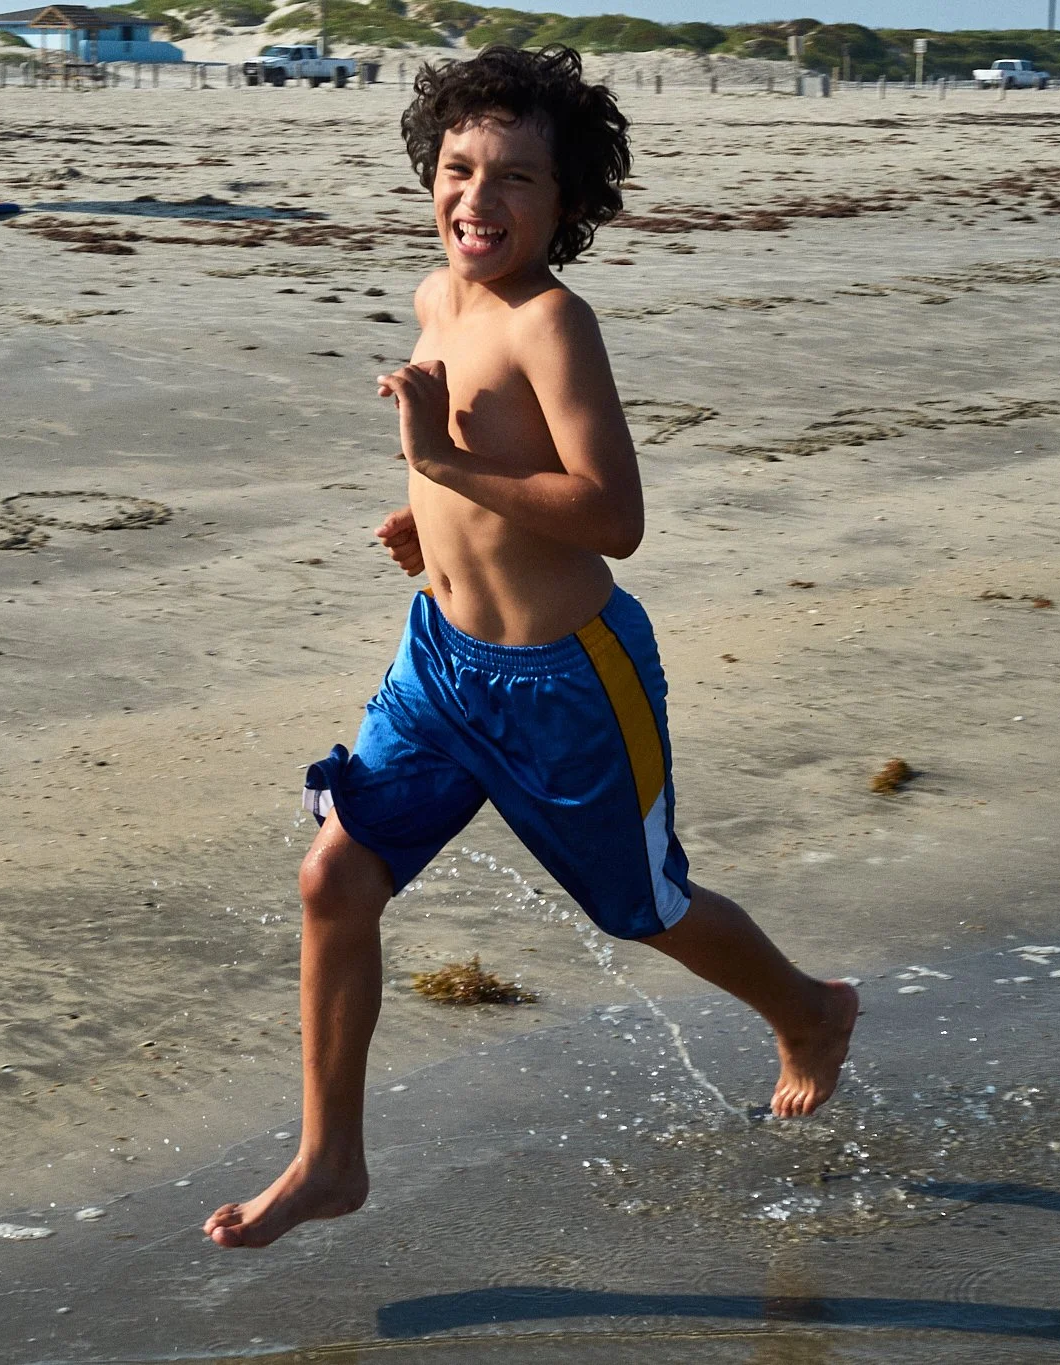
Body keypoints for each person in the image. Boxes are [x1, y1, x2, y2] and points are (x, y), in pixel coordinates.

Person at [205, 45, 860, 1251]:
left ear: (568, 205)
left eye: (514, 179)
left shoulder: (554, 322)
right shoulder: (432, 297)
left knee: (644, 908)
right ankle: (329, 1159)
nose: (477, 199)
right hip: (440, 667)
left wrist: (448, 468)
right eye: (458, 168)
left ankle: (809, 1008)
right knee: (333, 879)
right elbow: (475, 460)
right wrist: (432, 516)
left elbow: (612, 517)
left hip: (567, 684)